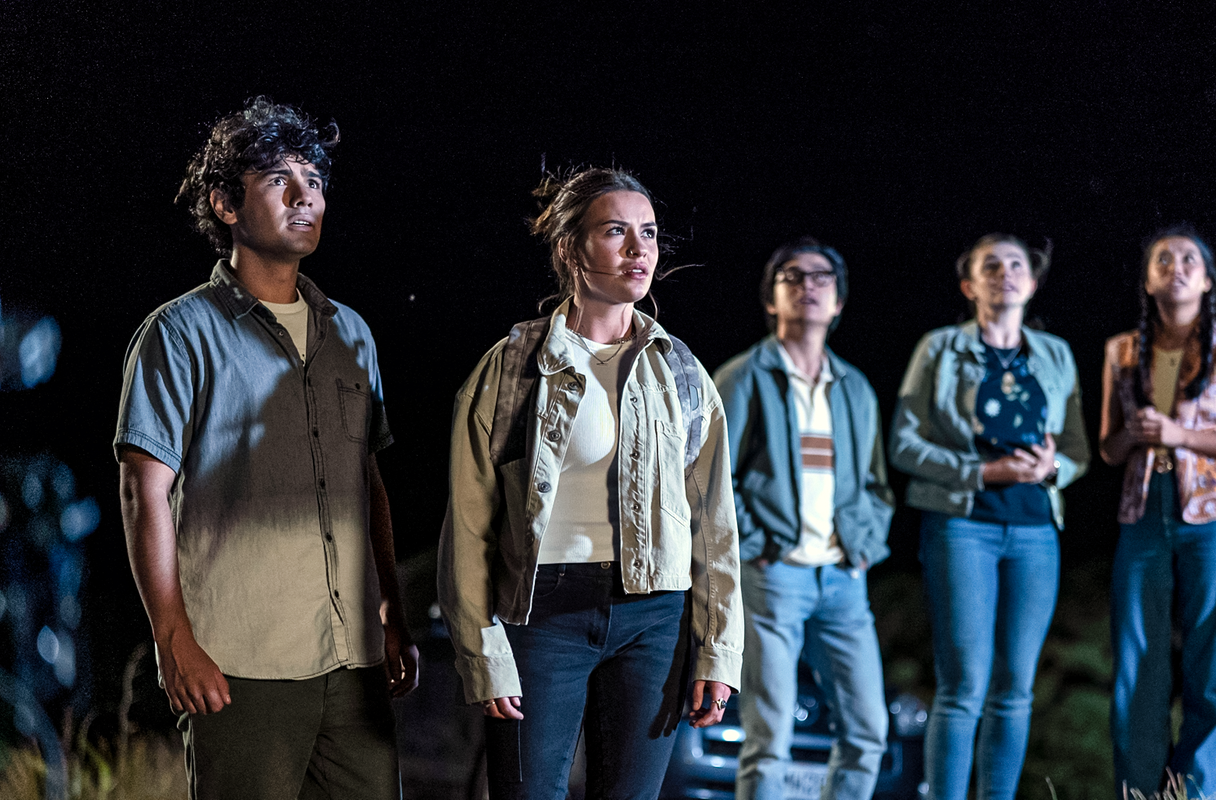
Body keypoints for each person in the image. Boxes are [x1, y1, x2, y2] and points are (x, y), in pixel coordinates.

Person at [115, 97, 418, 800]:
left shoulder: (353, 336)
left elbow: (365, 482)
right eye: (280, 179)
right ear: (225, 203)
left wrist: (393, 616)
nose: (304, 195)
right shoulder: (179, 334)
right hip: (240, 666)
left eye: (314, 181)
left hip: (354, 666)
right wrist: (173, 640)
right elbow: (143, 491)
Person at [437, 166, 743, 800]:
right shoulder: (515, 365)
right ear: (570, 247)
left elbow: (715, 524)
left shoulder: (681, 372)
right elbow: (468, 524)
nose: (639, 250)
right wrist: (484, 652)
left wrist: (718, 650)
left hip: (654, 618)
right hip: (542, 615)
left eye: (649, 233)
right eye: (615, 232)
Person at [889, 234, 1089, 800]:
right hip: (963, 523)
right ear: (969, 285)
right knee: (964, 686)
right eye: (990, 266)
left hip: (1036, 532)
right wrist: (983, 472)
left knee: (1016, 689)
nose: (1005, 274)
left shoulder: (1055, 354)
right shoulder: (940, 348)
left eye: (1016, 266)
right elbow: (904, 444)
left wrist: (1055, 468)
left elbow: (1076, 449)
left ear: (1032, 281)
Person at [1099, 226, 1216, 798]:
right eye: (1162, 259)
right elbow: (1107, 447)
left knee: (1213, 670)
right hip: (1144, 513)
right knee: (1136, 669)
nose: (1175, 266)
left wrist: (1182, 434)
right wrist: (1136, 435)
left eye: (1187, 260)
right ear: (1148, 279)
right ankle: (1138, 789)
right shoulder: (1121, 350)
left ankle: (1199, 792)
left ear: (1206, 279)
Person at [714, 237, 895, 800]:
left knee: (868, 730)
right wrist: (757, 542)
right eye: (793, 276)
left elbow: (875, 484)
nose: (809, 286)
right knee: (769, 737)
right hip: (774, 575)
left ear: (838, 302)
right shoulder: (743, 377)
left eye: (822, 278)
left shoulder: (855, 387)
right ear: (772, 299)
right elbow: (711, 479)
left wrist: (865, 545)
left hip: (843, 578)